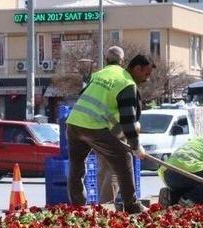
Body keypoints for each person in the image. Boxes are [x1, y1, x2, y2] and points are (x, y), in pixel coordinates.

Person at [66, 47, 155, 214]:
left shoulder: (100, 74)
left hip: (74, 123)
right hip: (94, 127)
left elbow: (101, 106)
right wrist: (135, 146)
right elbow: (128, 120)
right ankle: (132, 204)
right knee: (124, 158)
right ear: (137, 68)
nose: (147, 79)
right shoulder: (126, 83)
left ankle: (77, 206)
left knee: (76, 167)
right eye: (146, 74)